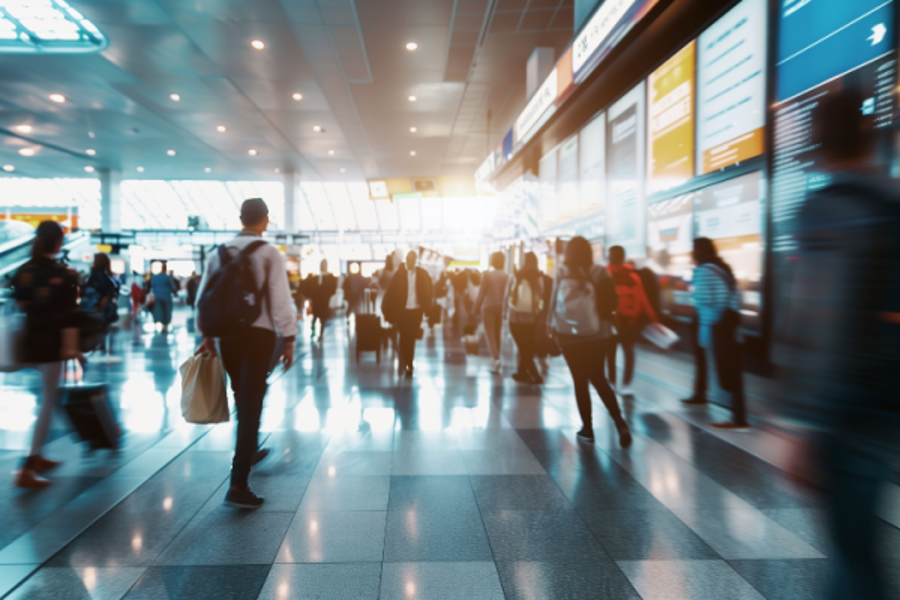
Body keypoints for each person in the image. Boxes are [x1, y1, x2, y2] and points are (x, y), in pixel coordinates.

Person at [778, 87, 900, 600]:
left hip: (843, 412)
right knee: (859, 549)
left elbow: (823, 323)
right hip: (883, 405)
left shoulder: (826, 211)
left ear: (819, 145)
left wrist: (804, 423)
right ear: (871, 135)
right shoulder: (889, 204)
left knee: (852, 553)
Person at [195, 198, 298, 509]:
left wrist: (207, 335)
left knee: (244, 394)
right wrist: (289, 338)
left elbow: (204, 297)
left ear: (241, 219)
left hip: (228, 335)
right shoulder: (268, 253)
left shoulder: (219, 251)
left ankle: (249, 447)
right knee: (252, 399)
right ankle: (238, 483)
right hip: (259, 334)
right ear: (265, 221)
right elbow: (280, 299)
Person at [11, 221, 84, 488]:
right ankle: (28, 465)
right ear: (59, 243)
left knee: (51, 397)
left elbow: (21, 303)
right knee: (49, 399)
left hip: (29, 340)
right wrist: (73, 349)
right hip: (52, 345)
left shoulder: (23, 271)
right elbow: (70, 316)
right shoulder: (64, 274)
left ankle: (38, 453)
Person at [548, 236, 630, 447]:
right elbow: (612, 302)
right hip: (598, 334)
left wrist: (551, 327)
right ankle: (620, 423)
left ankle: (588, 428)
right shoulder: (600, 272)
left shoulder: (562, 272)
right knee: (599, 378)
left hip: (569, 335)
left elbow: (553, 304)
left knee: (580, 381)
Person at [685, 237, 747, 430]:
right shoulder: (723, 268)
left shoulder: (703, 271)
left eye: (693, 249)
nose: (692, 253)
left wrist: (706, 329)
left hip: (714, 326)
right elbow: (736, 297)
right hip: (730, 322)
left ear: (700, 252)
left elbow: (705, 301)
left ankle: (736, 418)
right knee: (732, 369)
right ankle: (737, 415)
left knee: (723, 370)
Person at [606, 246, 658, 395]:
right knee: (627, 352)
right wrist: (653, 319)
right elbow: (642, 299)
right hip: (628, 319)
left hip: (614, 320)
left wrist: (653, 319)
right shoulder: (631, 276)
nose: (613, 257)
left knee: (612, 352)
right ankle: (625, 385)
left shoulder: (606, 274)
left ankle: (613, 384)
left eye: (614, 255)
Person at [382, 250, 433, 379]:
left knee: (411, 338)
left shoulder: (422, 274)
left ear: (415, 260)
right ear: (406, 260)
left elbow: (429, 290)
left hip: (416, 311)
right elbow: (391, 292)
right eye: (408, 259)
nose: (410, 262)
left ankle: (408, 363)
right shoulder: (400, 274)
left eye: (413, 259)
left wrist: (428, 308)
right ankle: (405, 362)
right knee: (404, 337)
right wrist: (387, 309)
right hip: (402, 311)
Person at [505, 252, 544, 384]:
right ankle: (522, 373)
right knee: (527, 347)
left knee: (523, 348)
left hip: (515, 318)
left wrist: (505, 313)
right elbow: (542, 295)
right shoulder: (538, 277)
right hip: (531, 318)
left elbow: (507, 295)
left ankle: (535, 375)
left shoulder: (515, 275)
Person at [473, 252, 509, 373]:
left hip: (488, 306)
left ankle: (496, 359)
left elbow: (482, 292)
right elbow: (506, 294)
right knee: (498, 333)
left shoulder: (487, 275)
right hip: (500, 307)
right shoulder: (506, 275)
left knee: (490, 334)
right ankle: (496, 359)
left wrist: (475, 308)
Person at [304, 259, 337, 341]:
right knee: (319, 318)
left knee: (318, 318)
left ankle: (317, 333)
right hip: (321, 301)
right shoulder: (328, 278)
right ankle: (317, 333)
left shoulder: (318, 278)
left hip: (320, 301)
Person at [149, 262, 177, 331]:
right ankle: (165, 325)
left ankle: (159, 323)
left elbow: (151, 286)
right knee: (167, 311)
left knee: (158, 310)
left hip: (157, 296)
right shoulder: (168, 277)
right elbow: (173, 287)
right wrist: (175, 293)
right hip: (166, 296)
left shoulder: (155, 277)